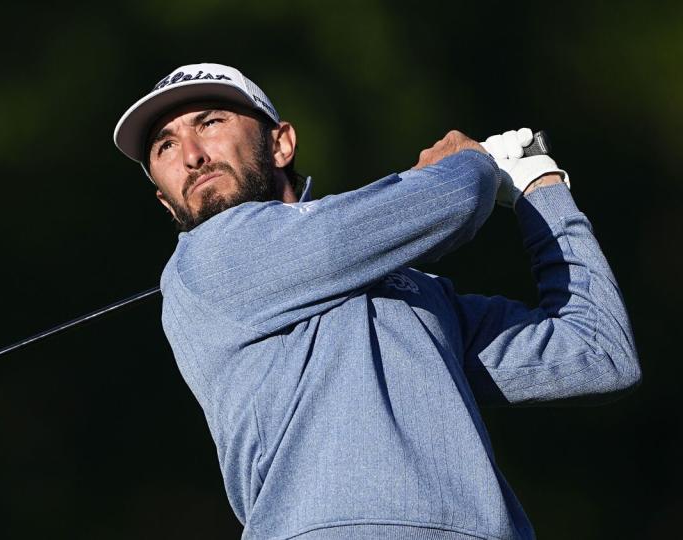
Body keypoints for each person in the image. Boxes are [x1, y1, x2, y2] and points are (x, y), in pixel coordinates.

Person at [113, 63, 640, 540]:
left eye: (209, 122)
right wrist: (468, 162)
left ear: (280, 144)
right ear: (164, 199)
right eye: (164, 146)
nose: (191, 155)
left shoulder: (417, 294)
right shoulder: (209, 258)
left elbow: (598, 353)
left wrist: (541, 188)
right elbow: (454, 197)